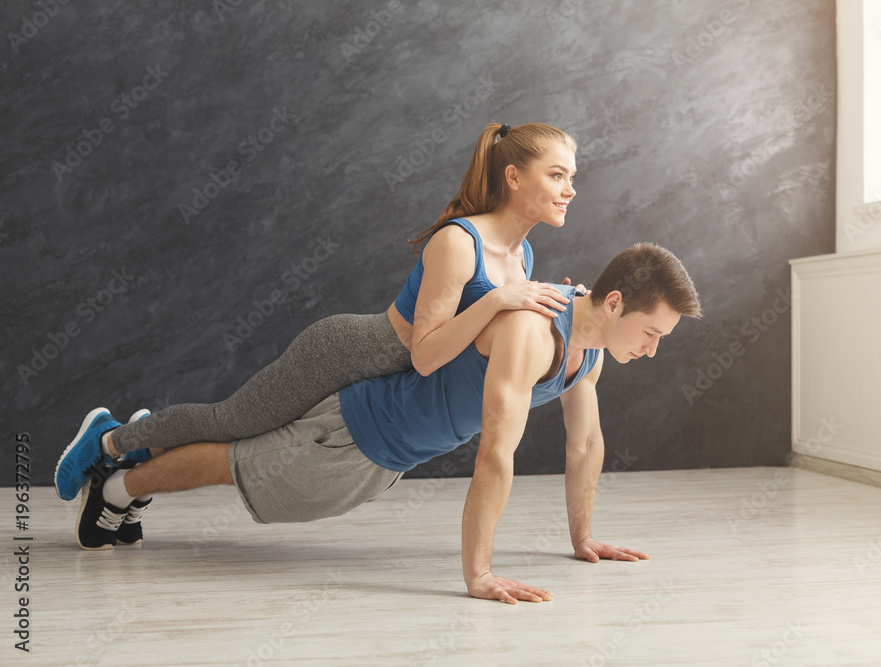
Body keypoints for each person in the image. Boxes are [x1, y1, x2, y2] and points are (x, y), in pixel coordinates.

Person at [71, 242, 703, 604]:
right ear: (615, 302)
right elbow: (495, 455)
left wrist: (583, 538)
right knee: (231, 459)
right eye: (651, 334)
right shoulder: (535, 333)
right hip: (355, 429)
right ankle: (116, 486)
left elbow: (586, 442)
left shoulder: (588, 351)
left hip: (387, 455)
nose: (651, 350)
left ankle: (127, 471)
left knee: (238, 459)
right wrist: (477, 574)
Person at [54, 121, 580, 520]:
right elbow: (424, 354)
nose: (569, 189)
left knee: (243, 435)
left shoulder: (523, 256)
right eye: (556, 175)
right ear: (513, 176)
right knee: (230, 422)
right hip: (347, 352)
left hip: (379, 380)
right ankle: (109, 439)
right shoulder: (459, 241)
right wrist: (500, 301)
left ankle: (135, 452)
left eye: (571, 176)